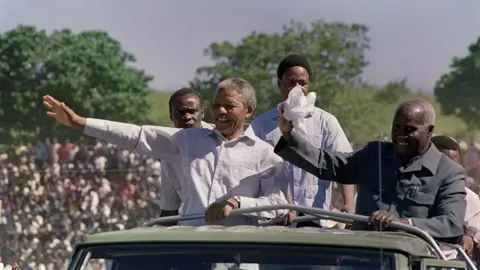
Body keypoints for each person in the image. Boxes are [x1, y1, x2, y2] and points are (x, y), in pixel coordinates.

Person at [43, 77, 289, 227]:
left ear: (248, 110)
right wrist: (79, 123)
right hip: (193, 249)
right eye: (217, 106)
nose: (221, 112)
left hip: (240, 253)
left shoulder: (265, 154)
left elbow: (278, 204)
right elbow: (136, 135)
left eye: (229, 106)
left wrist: (237, 202)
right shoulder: (186, 141)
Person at [274, 98, 467, 242]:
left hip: (412, 261)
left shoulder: (449, 172)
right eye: (396, 127)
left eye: (409, 130)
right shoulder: (373, 155)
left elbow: (451, 222)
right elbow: (328, 164)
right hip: (363, 258)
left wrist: (406, 223)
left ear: (430, 131)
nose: (400, 135)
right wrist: (290, 136)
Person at [250, 54, 355, 228]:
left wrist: (348, 205)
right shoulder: (261, 125)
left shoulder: (326, 122)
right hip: (275, 217)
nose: (297, 88)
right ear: (279, 84)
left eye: (302, 83)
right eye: (291, 83)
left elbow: (345, 163)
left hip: (315, 216)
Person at [159, 88, 213, 221]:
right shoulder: (169, 153)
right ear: (171, 116)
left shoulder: (222, 140)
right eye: (181, 112)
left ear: (202, 113)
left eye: (192, 111)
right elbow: (169, 209)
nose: (187, 117)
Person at [431, 135, 480, 257]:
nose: (451, 173)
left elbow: (473, 231)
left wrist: (469, 238)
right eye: (444, 166)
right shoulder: (412, 190)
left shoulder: (470, 198)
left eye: (455, 167)